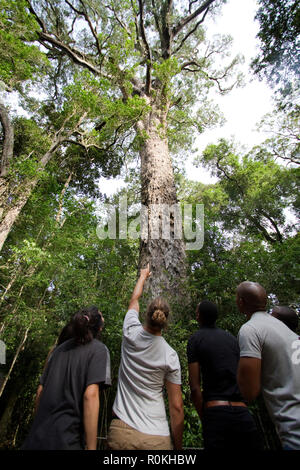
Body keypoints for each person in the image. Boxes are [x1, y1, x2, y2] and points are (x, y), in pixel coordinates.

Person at [107, 264, 184, 450]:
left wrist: (143, 276)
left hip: (122, 430)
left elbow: (134, 300)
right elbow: (176, 407)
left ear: (146, 315)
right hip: (157, 437)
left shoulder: (130, 332)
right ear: (166, 321)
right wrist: (179, 447)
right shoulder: (170, 355)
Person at [21, 306, 111, 450]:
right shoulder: (98, 350)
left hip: (35, 439)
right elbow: (91, 395)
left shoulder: (57, 351)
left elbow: (40, 392)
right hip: (67, 440)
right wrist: (92, 447)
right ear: (99, 328)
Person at [187, 300, 262, 450]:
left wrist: (205, 416)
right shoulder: (232, 339)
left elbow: (195, 387)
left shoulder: (195, 339)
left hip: (216, 412)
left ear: (198, 316)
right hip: (243, 414)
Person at [236, 281, 300, 450]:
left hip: (294, 429)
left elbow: (249, 391)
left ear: (241, 302)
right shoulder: (287, 331)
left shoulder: (251, 329)